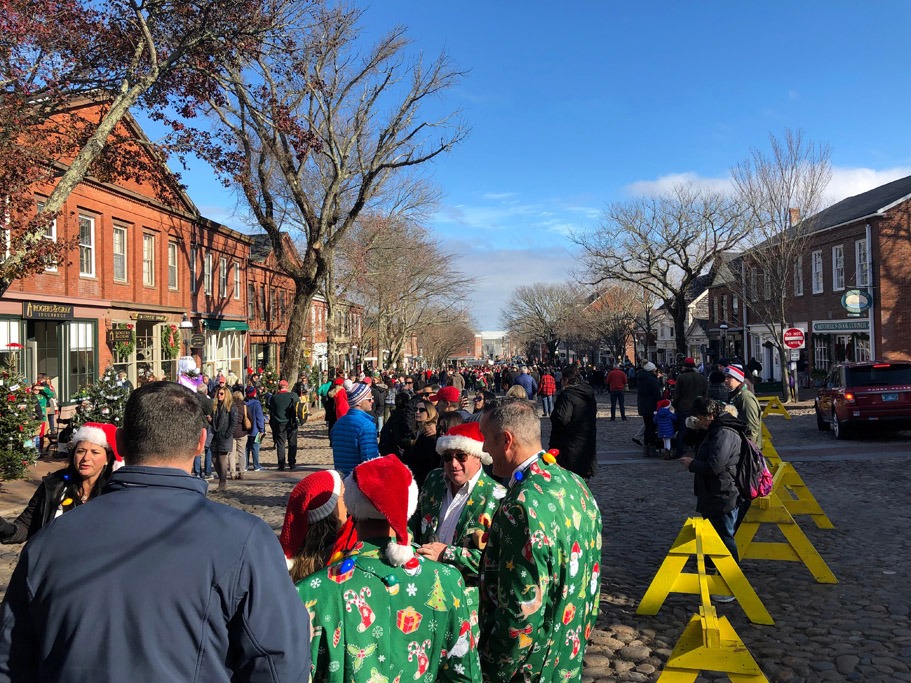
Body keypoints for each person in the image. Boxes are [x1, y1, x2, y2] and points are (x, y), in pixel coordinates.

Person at [0, 381, 311, 681]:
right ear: (201, 442)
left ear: (118, 444)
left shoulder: (50, 540)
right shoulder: (246, 539)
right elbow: (278, 660)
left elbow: (11, 659)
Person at [295, 455, 481, 683]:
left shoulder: (312, 592)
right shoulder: (447, 580)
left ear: (352, 508)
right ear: (409, 508)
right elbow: (465, 672)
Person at [478, 399, 601, 681]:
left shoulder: (521, 505)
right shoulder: (575, 483)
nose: (484, 449)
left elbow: (521, 612)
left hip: (531, 667)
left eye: (486, 440)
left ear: (507, 440)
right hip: (566, 654)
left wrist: (491, 670)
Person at [412, 422, 506, 592]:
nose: (453, 464)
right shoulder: (434, 480)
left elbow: (496, 562)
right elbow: (416, 519)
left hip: (463, 596)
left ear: (478, 456)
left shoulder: (498, 496)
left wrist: (446, 554)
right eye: (447, 457)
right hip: (423, 585)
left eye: (461, 456)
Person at [0, 423, 117, 544]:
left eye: (95, 452)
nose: (86, 458)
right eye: (81, 451)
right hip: (54, 560)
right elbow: (26, 525)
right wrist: (5, 529)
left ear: (107, 458)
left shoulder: (115, 490)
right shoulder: (55, 483)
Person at [680, 396, 749, 602]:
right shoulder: (715, 429)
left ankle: (732, 583)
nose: (699, 421)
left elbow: (714, 466)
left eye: (701, 418)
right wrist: (693, 429)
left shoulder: (724, 433)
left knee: (725, 538)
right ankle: (715, 571)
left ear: (710, 415)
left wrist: (691, 464)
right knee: (717, 536)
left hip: (724, 492)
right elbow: (690, 441)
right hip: (714, 491)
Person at [280, 469, 357, 582]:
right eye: (343, 494)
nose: (347, 500)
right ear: (331, 509)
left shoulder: (301, 553)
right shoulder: (339, 551)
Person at [548, 364, 598, 479]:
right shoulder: (588, 394)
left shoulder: (568, 396)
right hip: (586, 442)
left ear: (565, 380)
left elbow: (561, 419)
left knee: (568, 480)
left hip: (569, 446)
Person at [330, 382, 379, 477]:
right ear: (359, 402)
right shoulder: (367, 426)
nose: (372, 401)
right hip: (358, 481)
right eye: (369, 399)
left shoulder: (338, 424)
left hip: (342, 480)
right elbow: (370, 460)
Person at [672, 357, 708, 458]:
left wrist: (675, 405)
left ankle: (679, 452)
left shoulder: (682, 377)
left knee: (682, 429)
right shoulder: (701, 378)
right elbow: (705, 393)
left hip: (684, 406)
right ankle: (698, 451)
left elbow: (677, 394)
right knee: (698, 429)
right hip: (698, 407)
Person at [402, 398, 439, 487]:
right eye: (416, 410)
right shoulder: (418, 430)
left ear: (429, 413)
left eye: (422, 410)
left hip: (423, 479)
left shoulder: (429, 433)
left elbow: (427, 461)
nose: (417, 412)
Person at [723, 364, 762, 447]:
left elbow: (751, 428)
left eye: (729, 377)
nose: (725, 380)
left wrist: (747, 448)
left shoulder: (745, 397)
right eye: (725, 377)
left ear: (738, 379)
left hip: (745, 447)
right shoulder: (733, 395)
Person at [210, 384, 239, 492]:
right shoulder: (216, 406)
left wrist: (227, 434)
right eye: (218, 393)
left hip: (225, 436)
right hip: (216, 435)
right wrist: (210, 420)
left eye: (221, 394)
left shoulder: (231, 406)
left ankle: (223, 482)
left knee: (222, 459)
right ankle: (222, 479)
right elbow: (214, 421)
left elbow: (233, 422)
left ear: (226, 395)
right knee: (214, 459)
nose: (219, 396)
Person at [268, 379, 299, 471]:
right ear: (287, 387)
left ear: (279, 387)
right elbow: (299, 404)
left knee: (281, 444)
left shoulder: (274, 398)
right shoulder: (293, 396)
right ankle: (292, 463)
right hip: (292, 422)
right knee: (292, 443)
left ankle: (281, 464)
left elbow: (270, 407)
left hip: (279, 423)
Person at [637, 361, 662, 457]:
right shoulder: (651, 380)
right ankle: (651, 448)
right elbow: (656, 394)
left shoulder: (641, 378)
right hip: (652, 406)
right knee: (651, 428)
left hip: (643, 406)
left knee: (647, 427)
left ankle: (646, 448)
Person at [244, 386, 266, 472]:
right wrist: (262, 429)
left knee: (246, 448)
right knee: (255, 447)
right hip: (255, 429)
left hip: (245, 429)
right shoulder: (256, 403)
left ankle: (245, 465)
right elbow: (259, 417)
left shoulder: (244, 403)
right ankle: (256, 465)